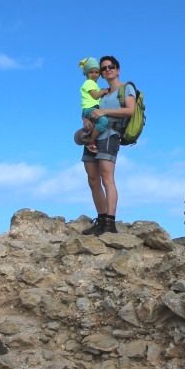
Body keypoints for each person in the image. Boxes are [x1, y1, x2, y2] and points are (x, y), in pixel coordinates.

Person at [81, 55, 135, 235]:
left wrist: (104, 111)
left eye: (111, 67)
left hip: (111, 134)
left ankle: (110, 223)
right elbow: (89, 107)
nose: (107, 70)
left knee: (106, 177)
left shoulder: (126, 88)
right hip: (93, 136)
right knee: (92, 178)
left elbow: (130, 110)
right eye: (103, 68)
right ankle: (101, 219)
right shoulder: (100, 91)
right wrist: (85, 119)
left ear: (118, 69)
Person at [78, 57, 110, 153]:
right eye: (91, 72)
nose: (94, 74)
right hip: (90, 109)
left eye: (96, 72)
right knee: (104, 121)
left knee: (97, 124)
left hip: (90, 109)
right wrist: (104, 91)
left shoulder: (94, 84)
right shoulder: (89, 83)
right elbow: (95, 96)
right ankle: (91, 141)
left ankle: (92, 137)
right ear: (86, 74)